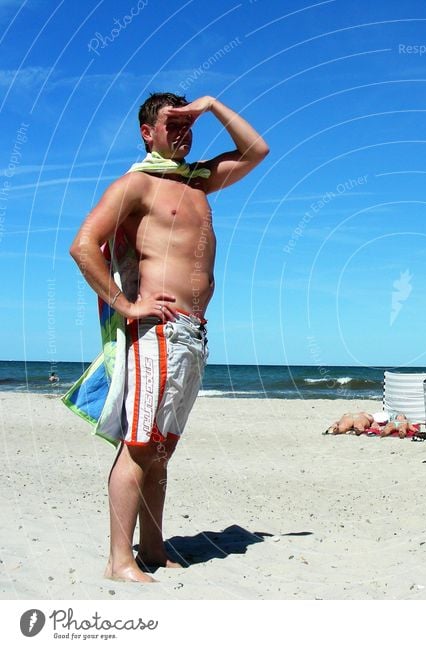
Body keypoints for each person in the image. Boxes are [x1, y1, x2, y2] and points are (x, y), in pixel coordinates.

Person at [69, 92, 268, 582]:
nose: (182, 132)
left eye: (187, 124)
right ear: (146, 132)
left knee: (162, 448)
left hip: (193, 336)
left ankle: (153, 548)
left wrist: (213, 105)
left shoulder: (198, 180)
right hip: (156, 331)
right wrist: (127, 304)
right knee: (139, 447)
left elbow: (256, 150)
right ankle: (119, 561)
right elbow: (82, 246)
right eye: (171, 124)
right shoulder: (136, 184)